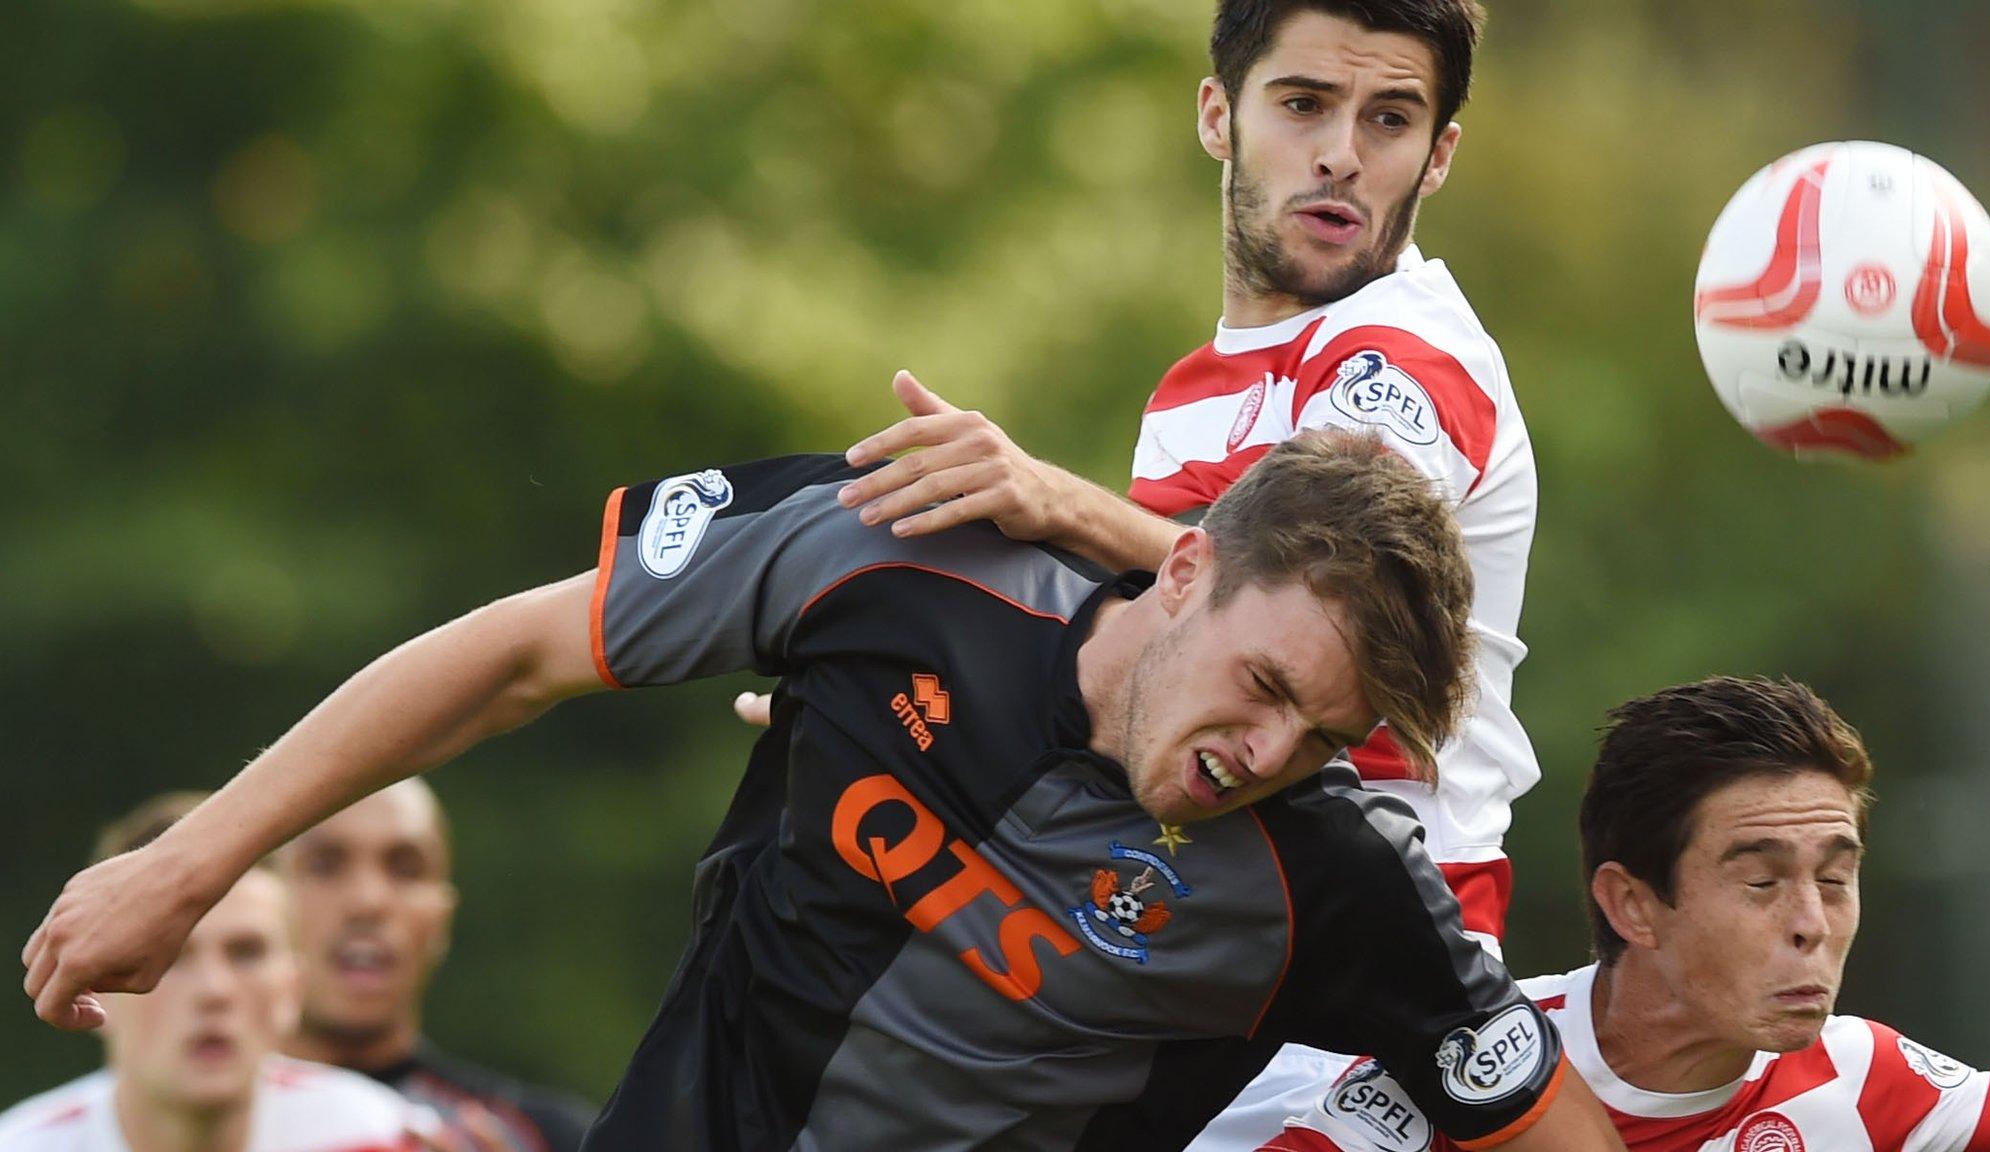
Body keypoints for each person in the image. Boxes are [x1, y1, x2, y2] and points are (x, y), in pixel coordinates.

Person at [22, 434, 1624, 1150]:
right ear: (1183, 567)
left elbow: (1539, 1114)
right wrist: (192, 862)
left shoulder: (1326, 877)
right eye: (1266, 689)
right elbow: (513, 657)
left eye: (1318, 737)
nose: (1264, 754)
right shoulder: (896, 556)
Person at [820, 0, 1532, 953]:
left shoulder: (1398, 364)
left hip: (1373, 939)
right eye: (1303, 103)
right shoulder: (1193, 390)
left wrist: (1055, 501)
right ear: (1216, 116)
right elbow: (1143, 654)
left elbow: (1317, 605)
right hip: (1201, 910)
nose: (1342, 156)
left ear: (1438, 156)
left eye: (1389, 120)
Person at [1187, 677, 1990, 1151]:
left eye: (1834, 879)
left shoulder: (1869, 1082)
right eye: (1762, 882)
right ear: (1632, 903)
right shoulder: (1464, 1070)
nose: (1811, 924)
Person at [0, 795, 431, 1152]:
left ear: (293, 986)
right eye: (168, 958)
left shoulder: (383, 1137)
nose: (215, 990)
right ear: (95, 991)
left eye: (246, 953)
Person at [276, 781, 596, 1152]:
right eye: (326, 866)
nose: (367, 901)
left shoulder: (552, 1138)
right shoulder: (202, 1124)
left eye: (406, 869)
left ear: (443, 919)